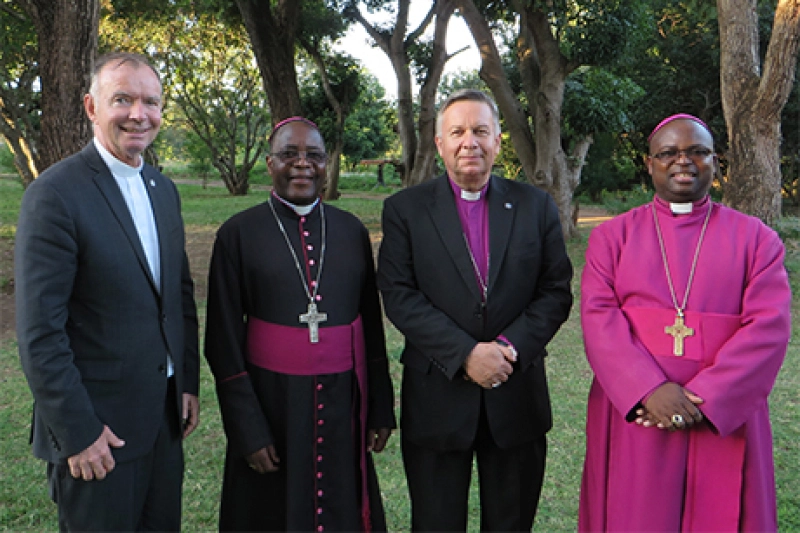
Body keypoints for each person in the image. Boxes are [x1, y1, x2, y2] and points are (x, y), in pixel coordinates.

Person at [578, 114, 792, 531]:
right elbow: (598, 318)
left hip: (721, 417)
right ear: (649, 162)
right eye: (669, 153)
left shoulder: (757, 240)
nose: (684, 161)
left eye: (698, 151)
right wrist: (648, 389)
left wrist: (706, 398)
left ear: (715, 161)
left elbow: (768, 328)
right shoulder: (613, 237)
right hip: (639, 411)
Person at [14, 51, 200, 531]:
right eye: (123, 99)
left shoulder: (164, 189)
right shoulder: (55, 196)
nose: (139, 114)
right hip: (99, 436)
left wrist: (187, 383)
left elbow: (177, 298)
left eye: (151, 102)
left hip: (162, 422)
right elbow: (39, 333)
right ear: (91, 107)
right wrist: (78, 433)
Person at [377, 89, 574, 531]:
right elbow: (399, 294)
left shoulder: (535, 206)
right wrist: (466, 354)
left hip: (515, 392)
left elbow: (555, 290)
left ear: (498, 141)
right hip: (437, 398)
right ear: (440, 142)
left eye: (481, 131)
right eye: (458, 132)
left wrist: (505, 348)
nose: (471, 142)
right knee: (436, 523)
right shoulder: (405, 210)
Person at [204, 116, 396, 532]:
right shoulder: (237, 234)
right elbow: (222, 342)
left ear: (327, 165)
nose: (302, 164)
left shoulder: (350, 231)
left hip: (343, 402)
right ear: (270, 164)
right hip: (272, 402)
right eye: (289, 154)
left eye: (314, 155)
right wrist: (247, 429)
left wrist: (380, 405)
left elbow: (370, 327)